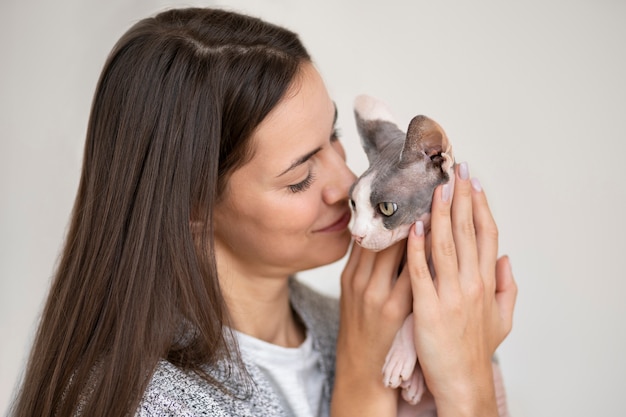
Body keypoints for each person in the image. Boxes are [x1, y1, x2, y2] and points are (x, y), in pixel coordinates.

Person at [9, 7, 517, 417]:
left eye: (334, 137)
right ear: (192, 206)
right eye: (299, 178)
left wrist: (467, 372)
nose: (346, 185)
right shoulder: (144, 402)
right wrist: (367, 388)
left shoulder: (358, 322)